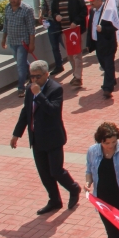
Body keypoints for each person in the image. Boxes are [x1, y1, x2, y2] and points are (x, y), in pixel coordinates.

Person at [11, 60, 82, 214]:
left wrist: (39, 95)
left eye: (37, 77)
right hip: (37, 138)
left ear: (46, 74)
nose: (34, 80)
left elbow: (53, 111)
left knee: (56, 171)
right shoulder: (30, 89)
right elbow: (26, 112)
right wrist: (17, 134)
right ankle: (54, 200)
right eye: (32, 77)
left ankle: (74, 188)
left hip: (53, 138)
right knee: (44, 173)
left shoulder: (55, 89)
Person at [50, 0, 88, 87]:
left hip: (76, 31)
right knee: (70, 55)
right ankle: (76, 74)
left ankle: (78, 77)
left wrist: (76, 22)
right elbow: (53, 12)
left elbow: (84, 11)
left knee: (77, 54)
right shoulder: (55, 1)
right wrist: (55, 16)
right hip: (64, 31)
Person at [1, 0, 36, 98]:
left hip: (22, 42)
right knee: (21, 62)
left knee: (20, 66)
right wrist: (3, 39)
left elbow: (31, 29)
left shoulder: (27, 9)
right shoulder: (7, 8)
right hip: (12, 41)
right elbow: (5, 25)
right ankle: (34, 75)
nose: (12, 0)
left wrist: (31, 43)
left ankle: (21, 87)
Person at [85, 0, 117, 98]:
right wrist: (89, 43)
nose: (91, 3)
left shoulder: (108, 11)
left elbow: (115, 27)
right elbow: (90, 27)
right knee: (103, 64)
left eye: (93, 1)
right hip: (97, 44)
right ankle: (111, 79)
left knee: (108, 65)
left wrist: (103, 29)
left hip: (108, 43)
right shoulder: (92, 11)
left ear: (99, 0)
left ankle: (107, 88)